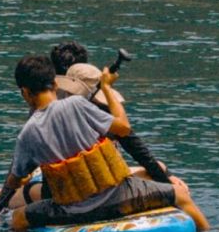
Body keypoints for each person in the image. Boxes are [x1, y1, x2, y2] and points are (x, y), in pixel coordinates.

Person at [0, 55, 208, 232]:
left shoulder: (27, 134)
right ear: (54, 83)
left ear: (24, 92)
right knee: (181, 196)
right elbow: (123, 127)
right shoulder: (77, 104)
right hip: (118, 197)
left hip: (71, 210)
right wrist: (108, 89)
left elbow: (13, 181)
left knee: (18, 219)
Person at [49, 41, 171, 182]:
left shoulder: (49, 107)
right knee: (160, 168)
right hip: (101, 180)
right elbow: (134, 145)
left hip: (74, 182)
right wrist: (168, 182)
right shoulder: (101, 108)